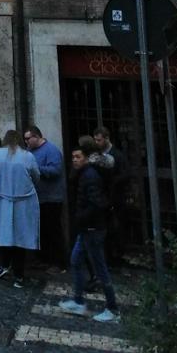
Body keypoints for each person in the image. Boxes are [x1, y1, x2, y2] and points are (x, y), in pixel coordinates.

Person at [59, 137, 119, 323]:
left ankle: (113, 308)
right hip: (87, 227)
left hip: (93, 228)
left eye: (78, 157)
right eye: (73, 157)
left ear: (86, 157)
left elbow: (97, 203)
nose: (74, 160)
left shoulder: (90, 176)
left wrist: (81, 217)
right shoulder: (86, 174)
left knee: (99, 268)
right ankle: (78, 301)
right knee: (76, 260)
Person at [0, 129, 40, 287]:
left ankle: (4, 265)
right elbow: (36, 176)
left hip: (2, 201)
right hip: (24, 202)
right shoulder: (28, 156)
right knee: (20, 239)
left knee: (4, 235)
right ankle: (19, 275)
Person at [24, 125, 66, 270]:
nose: (26, 142)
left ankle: (59, 263)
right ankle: (44, 260)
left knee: (53, 230)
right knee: (42, 231)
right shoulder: (30, 151)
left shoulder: (51, 150)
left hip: (51, 198)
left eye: (28, 139)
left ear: (36, 136)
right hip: (38, 197)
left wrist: (36, 168)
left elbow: (56, 170)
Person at [93, 125, 129, 267]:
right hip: (103, 198)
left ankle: (117, 256)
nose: (97, 143)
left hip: (115, 198)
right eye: (95, 140)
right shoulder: (97, 155)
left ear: (107, 139)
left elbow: (126, 174)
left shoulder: (117, 155)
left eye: (99, 140)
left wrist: (112, 181)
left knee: (116, 228)